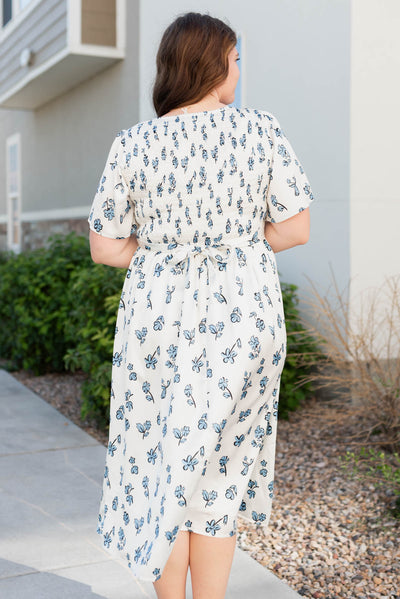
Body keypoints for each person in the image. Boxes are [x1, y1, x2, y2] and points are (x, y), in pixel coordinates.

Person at [88, 11, 314, 599]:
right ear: (213, 64)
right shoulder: (261, 130)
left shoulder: (134, 143)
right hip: (246, 319)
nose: (238, 71)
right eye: (235, 60)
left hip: (158, 320)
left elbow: (105, 247)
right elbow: (296, 229)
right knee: (219, 473)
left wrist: (166, 248)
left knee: (164, 468)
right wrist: (235, 242)